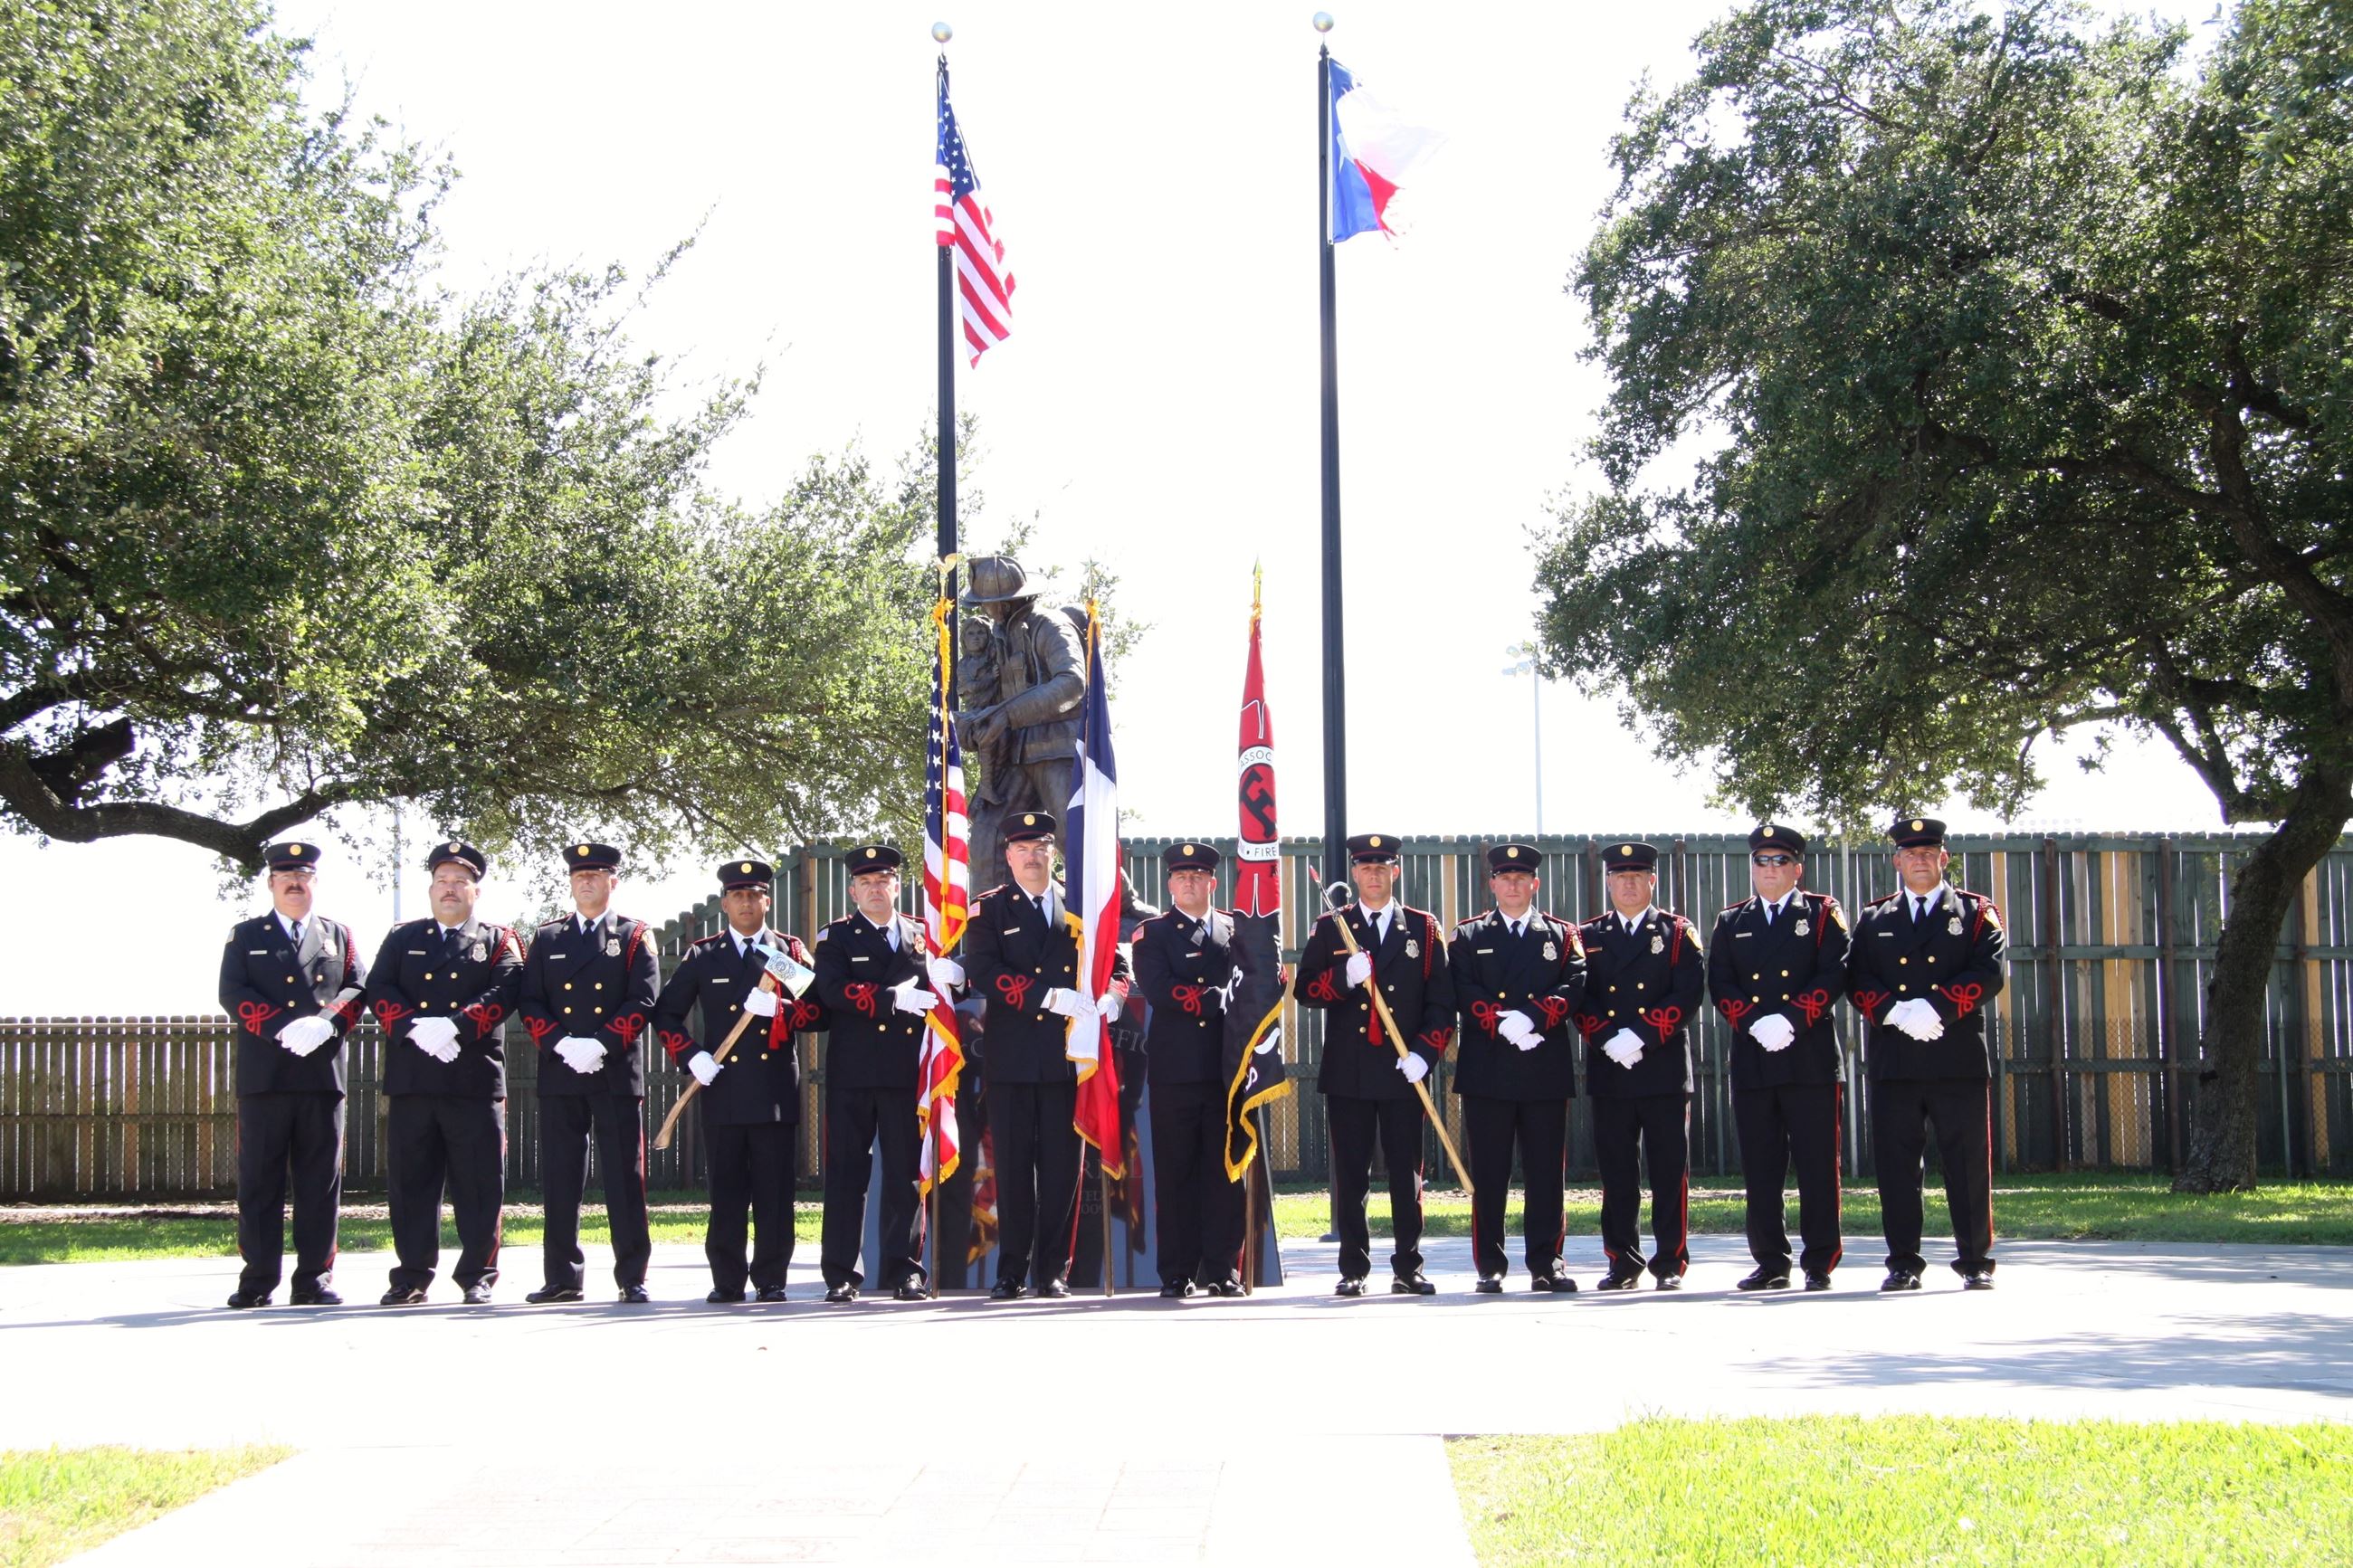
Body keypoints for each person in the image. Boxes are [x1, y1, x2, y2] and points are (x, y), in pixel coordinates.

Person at [958, 812, 1130, 1300]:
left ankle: (1054, 1269)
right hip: (1011, 1059)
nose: (1033, 857)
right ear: (1008, 856)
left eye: (1041, 849)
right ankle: (1012, 1270)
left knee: (1061, 1172)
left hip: (1065, 1058)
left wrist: (1114, 998)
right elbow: (984, 970)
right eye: (1023, 849)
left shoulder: (1078, 906)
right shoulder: (989, 909)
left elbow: (1116, 964)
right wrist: (1046, 996)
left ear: (1053, 853)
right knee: (1011, 1169)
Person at [1845, 817, 2009, 1292]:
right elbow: (1856, 978)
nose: (1919, 859)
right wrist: (1896, 1012)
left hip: (1954, 1055)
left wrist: (1935, 1008)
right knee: (1896, 1168)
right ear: (1896, 861)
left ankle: (1976, 1259)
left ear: (1944, 858)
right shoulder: (1875, 918)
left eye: (1928, 852)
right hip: (1895, 1058)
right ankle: (1902, 1262)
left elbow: (1990, 971)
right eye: (1909, 853)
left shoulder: (1977, 913)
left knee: (1967, 1164)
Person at [651, 860, 825, 1304]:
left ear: (767, 900)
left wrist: (781, 1011)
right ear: (725, 903)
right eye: (738, 895)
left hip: (773, 1094)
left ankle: (771, 1278)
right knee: (726, 1190)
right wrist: (691, 1057)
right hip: (722, 1087)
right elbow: (666, 1013)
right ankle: (726, 1279)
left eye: (755, 894)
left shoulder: (784, 952)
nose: (747, 903)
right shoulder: (704, 955)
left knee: (774, 1191)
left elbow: (820, 1010)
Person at [1295, 832, 1455, 1297]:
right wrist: (1343, 978)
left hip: (1405, 1069)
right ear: (1356, 874)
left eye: (1382, 867)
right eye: (1365, 868)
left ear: (1395, 872)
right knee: (1351, 1175)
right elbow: (1306, 991)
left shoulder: (1424, 930)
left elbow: (1442, 1004)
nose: (1373, 875)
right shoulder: (1331, 927)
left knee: (1407, 1175)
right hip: (1350, 1070)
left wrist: (1426, 1053)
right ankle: (1353, 1269)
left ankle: (1409, 1266)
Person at [366, 840, 525, 1306]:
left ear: (476, 890)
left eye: (460, 881)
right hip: (414, 1080)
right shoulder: (402, 937)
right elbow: (379, 988)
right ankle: (411, 1276)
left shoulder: (499, 940)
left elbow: (506, 991)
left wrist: (455, 1027)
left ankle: (477, 1274)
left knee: (479, 1185)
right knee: (412, 1184)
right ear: (430, 888)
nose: (449, 889)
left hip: (472, 1082)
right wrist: (415, 1029)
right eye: (442, 881)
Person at [217, 841, 367, 1308]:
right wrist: (282, 1029)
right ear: (271, 884)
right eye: (286, 877)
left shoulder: (337, 935)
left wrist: (325, 1024)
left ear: (314, 882)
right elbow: (231, 992)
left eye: (303, 876)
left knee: (319, 1183)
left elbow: (358, 987)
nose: (295, 884)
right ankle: (258, 1279)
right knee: (259, 1182)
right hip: (266, 1077)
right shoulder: (245, 935)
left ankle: (313, 1279)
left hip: (322, 1079)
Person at [1708, 823, 1853, 1292]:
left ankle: (1819, 1261)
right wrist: (1754, 1022)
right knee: (1761, 1167)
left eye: (1779, 861)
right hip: (1754, 1059)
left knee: (1817, 1165)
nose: (1769, 869)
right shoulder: (1732, 921)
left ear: (1797, 868)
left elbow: (1835, 972)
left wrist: (1791, 1018)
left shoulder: (1822, 913)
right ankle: (1770, 1260)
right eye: (1761, 861)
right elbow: (1721, 982)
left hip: (1809, 1057)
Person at [519, 841, 660, 1305]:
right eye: (579, 875)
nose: (586, 881)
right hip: (561, 1072)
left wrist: (601, 1043)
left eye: (596, 875)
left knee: (623, 1177)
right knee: (560, 1178)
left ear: (612, 882)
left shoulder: (636, 934)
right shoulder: (548, 937)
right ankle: (562, 1277)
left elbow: (642, 998)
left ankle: (632, 1276)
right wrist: (561, 1043)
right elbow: (531, 1001)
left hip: (614, 1070)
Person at [1445, 841, 1587, 1294]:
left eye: (1521, 878)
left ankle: (1548, 1262)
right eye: (1504, 878)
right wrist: (1500, 1023)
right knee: (1489, 1173)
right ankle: (1490, 1263)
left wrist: (1536, 1017)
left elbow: (1578, 980)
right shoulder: (1469, 936)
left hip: (1543, 1066)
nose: (1512, 885)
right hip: (1488, 1067)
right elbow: (1460, 987)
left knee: (1547, 1172)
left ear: (1535, 884)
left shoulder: (1561, 936)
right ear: (1492, 884)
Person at [810, 844, 941, 1303]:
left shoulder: (923, 935)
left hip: (907, 1071)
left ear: (897, 885)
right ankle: (841, 1274)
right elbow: (831, 990)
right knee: (848, 1174)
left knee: (906, 1175)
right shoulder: (836, 938)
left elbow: (937, 985)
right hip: (854, 1072)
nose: (875, 890)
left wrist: (953, 977)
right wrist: (889, 998)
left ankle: (905, 1270)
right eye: (865, 883)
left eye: (883, 881)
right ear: (852, 891)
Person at [1574, 841, 1705, 1291]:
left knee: (1670, 1171)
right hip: (1611, 1067)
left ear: (1652, 881)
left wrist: (1643, 1035)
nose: (1628, 884)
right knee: (1617, 1173)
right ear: (1608, 881)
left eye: (1637, 876)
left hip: (1663, 1067)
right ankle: (1622, 1261)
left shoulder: (1676, 932)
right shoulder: (1587, 935)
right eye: (1620, 876)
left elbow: (1687, 993)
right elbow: (1578, 996)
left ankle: (1670, 1261)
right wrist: (1609, 1038)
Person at [1128, 842, 1246, 1298]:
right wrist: (1214, 997)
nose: (1190, 883)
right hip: (1175, 1070)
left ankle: (1222, 1269)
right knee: (1175, 1174)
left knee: (1224, 1173)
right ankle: (1177, 1271)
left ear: (1212, 883)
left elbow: (1259, 981)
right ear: (1170, 884)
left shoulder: (1237, 930)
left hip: (1226, 1070)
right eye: (1181, 877)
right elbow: (1158, 989)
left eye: (1198, 876)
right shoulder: (1152, 934)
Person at [955, 556, 1085, 882]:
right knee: (988, 834)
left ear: (1009, 601)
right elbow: (997, 699)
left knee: (1077, 837)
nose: (986, 610)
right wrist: (971, 724)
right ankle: (988, 922)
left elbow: (1072, 682)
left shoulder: (1051, 626)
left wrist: (1007, 715)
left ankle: (1122, 905)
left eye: (991, 603)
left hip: (1057, 750)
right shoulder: (1000, 636)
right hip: (1014, 756)